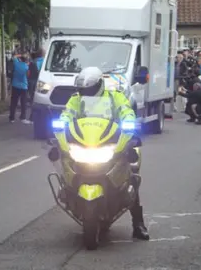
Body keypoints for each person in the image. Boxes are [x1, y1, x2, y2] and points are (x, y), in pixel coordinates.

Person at [60, 67, 149, 241]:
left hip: (111, 141)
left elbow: (126, 112)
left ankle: (138, 224)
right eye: (83, 89)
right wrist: (61, 128)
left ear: (100, 84)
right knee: (64, 158)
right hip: (84, 141)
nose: (86, 92)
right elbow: (67, 115)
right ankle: (68, 192)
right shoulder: (76, 100)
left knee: (131, 173)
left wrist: (129, 125)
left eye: (89, 89)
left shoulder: (115, 97)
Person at [9, 52, 31, 124]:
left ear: (20, 59)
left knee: (14, 102)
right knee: (23, 102)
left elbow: (14, 57)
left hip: (15, 85)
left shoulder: (16, 63)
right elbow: (28, 75)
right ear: (26, 60)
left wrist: (21, 55)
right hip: (24, 86)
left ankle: (12, 118)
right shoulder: (26, 67)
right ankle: (23, 117)